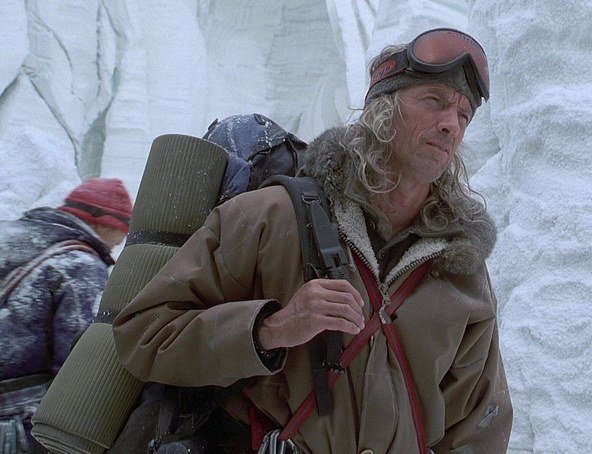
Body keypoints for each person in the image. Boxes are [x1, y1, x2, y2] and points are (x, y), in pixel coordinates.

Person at [113, 27, 511, 453]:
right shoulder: (269, 218)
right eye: (433, 101)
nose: (451, 125)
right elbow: (145, 336)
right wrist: (269, 329)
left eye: (464, 114)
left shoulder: (460, 269)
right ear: (384, 109)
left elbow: (478, 428)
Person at [0, 177, 133, 453]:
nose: (116, 245)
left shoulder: (8, 236)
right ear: (105, 224)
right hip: (16, 424)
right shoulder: (79, 267)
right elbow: (78, 365)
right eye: (120, 234)